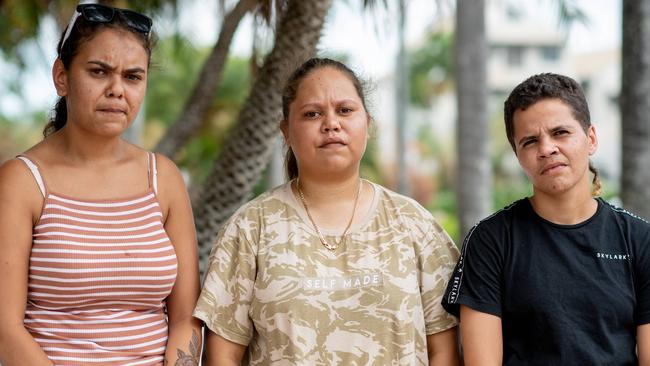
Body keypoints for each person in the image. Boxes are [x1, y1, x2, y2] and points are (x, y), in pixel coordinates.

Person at [193, 57, 460, 365]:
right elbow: (223, 355)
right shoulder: (250, 228)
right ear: (286, 131)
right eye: (312, 113)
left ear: (368, 124)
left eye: (345, 110)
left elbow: (445, 351)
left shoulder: (415, 225)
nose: (331, 123)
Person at [0, 4, 202, 365]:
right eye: (99, 71)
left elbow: (185, 319)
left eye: (133, 77)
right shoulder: (22, 181)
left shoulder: (164, 178)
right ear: (62, 76)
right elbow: (4, 327)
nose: (116, 90)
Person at [442, 73, 650, 365]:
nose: (546, 149)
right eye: (529, 141)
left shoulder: (639, 239)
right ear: (518, 155)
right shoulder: (490, 241)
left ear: (591, 138)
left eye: (560, 133)